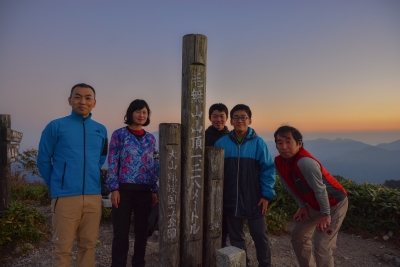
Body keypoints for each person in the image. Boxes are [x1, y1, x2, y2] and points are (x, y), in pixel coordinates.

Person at [37, 83, 108, 267]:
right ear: (70, 100)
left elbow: (100, 158)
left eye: (87, 98)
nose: (82, 101)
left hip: (93, 196)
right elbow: (43, 160)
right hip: (65, 196)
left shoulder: (101, 130)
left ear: (94, 102)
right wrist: (57, 185)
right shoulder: (56, 126)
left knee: (88, 246)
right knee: (62, 248)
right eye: (77, 97)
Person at [273, 125, 348, 267]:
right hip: (313, 204)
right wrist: (302, 206)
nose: (284, 146)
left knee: (322, 245)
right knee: (298, 236)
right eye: (280, 142)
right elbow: (290, 186)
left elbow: (321, 190)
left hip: (333, 204)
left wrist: (325, 214)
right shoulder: (279, 162)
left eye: (288, 141)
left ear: (299, 143)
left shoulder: (305, 163)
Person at [215, 104, 276, 267]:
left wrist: (266, 195)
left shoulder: (258, 143)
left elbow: (268, 169)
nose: (240, 120)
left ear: (250, 120)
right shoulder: (221, 143)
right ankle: (242, 264)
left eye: (243, 117)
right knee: (236, 237)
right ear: (231, 121)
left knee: (259, 235)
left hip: (254, 197)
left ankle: (265, 264)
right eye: (236, 117)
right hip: (230, 197)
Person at [106, 99, 159, 267]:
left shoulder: (151, 139)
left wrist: (154, 189)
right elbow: (112, 161)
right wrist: (114, 188)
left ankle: (139, 263)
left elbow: (154, 164)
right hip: (123, 190)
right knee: (120, 232)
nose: (141, 115)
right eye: (138, 111)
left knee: (142, 232)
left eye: (144, 112)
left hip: (145, 190)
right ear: (130, 113)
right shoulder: (119, 134)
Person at [205, 103, 230, 248]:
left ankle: (221, 244)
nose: (218, 119)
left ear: (227, 118)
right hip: (206, 183)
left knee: (224, 216)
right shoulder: (202, 136)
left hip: (226, 183)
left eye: (222, 116)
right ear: (209, 117)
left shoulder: (231, 137)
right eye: (215, 116)